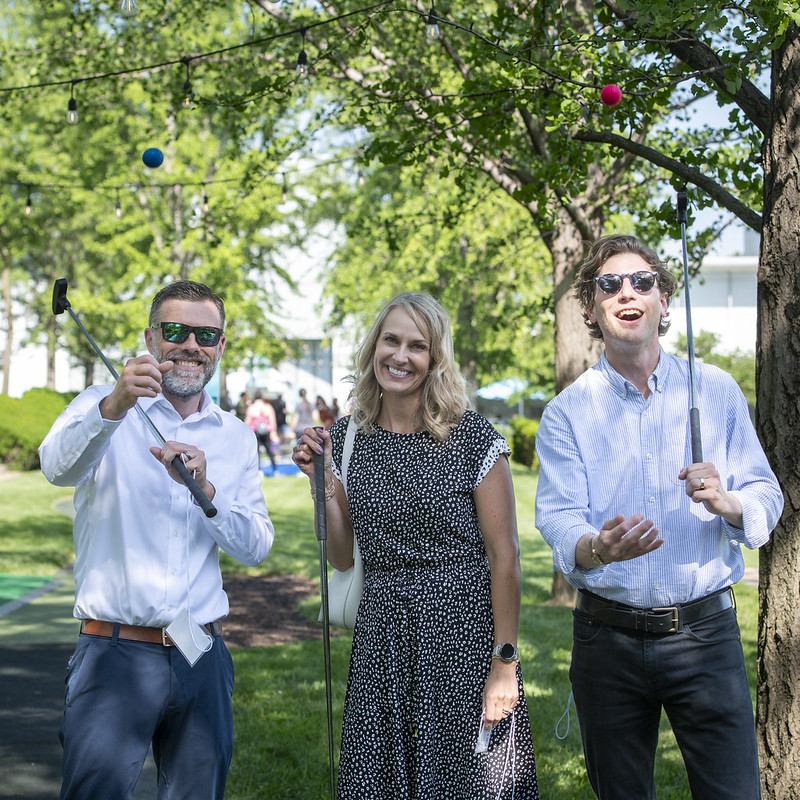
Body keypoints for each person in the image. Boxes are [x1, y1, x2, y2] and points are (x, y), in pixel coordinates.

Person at [534, 234, 783, 800]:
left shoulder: (715, 391)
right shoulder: (567, 412)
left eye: (642, 281)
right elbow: (558, 518)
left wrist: (728, 502)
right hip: (607, 640)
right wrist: (597, 547)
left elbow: (766, 495)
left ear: (664, 302)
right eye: (609, 284)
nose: (627, 292)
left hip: (705, 636)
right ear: (592, 308)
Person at [292, 293, 539, 798]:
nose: (400, 356)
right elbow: (341, 557)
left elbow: (505, 557)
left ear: (435, 358)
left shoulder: (470, 437)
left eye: (417, 346)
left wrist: (504, 664)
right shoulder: (345, 438)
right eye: (391, 340)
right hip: (381, 640)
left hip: (460, 640)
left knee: (465, 783)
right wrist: (322, 483)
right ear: (373, 347)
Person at [39, 280, 275, 800]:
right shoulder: (101, 403)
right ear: (151, 337)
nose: (191, 345)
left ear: (221, 345)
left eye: (206, 335)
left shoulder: (235, 435)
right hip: (114, 649)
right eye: (176, 331)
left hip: (201, 653)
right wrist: (115, 403)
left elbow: (257, 544)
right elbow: (55, 467)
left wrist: (206, 492)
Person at [245, 390, 279, 473]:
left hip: (255, 431)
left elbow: (247, 422)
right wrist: (273, 432)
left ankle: (258, 470)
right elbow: (272, 421)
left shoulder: (251, 408)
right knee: (269, 451)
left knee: (256, 452)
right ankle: (275, 469)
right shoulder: (267, 407)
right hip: (267, 431)